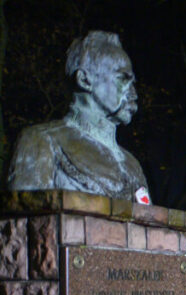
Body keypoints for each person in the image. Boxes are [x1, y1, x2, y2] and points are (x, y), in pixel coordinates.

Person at [8, 31, 150, 202]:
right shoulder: (42, 141)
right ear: (85, 80)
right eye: (123, 79)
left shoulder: (132, 165)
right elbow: (26, 218)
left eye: (133, 82)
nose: (133, 93)